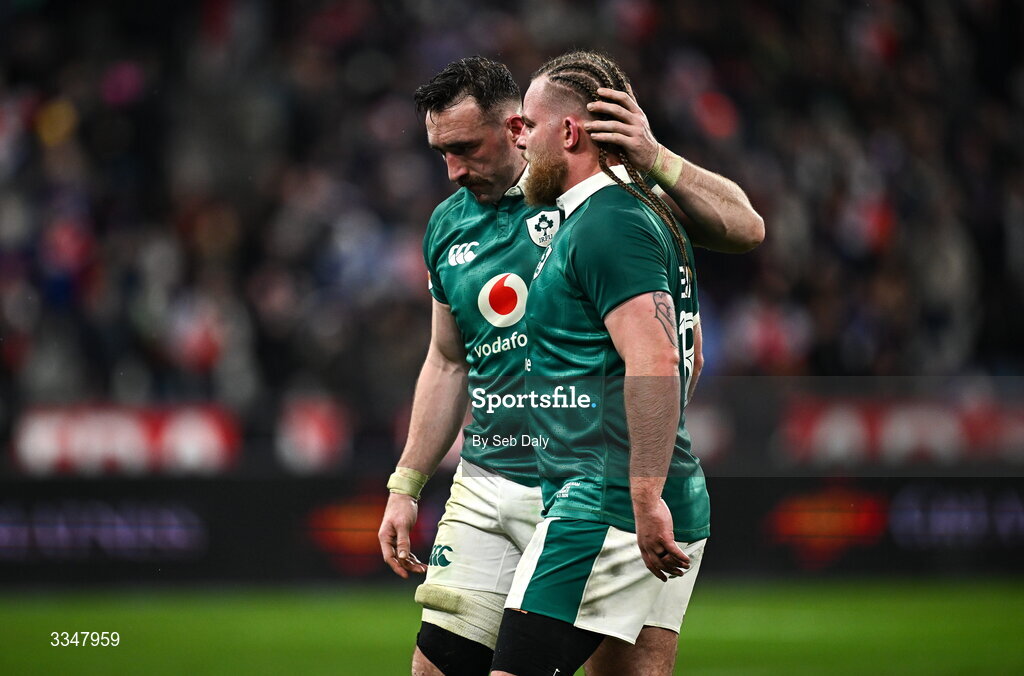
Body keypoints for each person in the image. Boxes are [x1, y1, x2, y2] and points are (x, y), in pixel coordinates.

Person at [377, 56, 762, 676]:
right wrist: (407, 482)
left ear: (516, 127)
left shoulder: (595, 198)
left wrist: (656, 157)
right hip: (490, 476)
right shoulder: (448, 226)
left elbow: (745, 228)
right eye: (440, 151)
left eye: (467, 147)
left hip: (587, 478)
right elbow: (447, 362)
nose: (452, 170)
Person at [489, 51, 712, 676]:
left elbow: (654, 355)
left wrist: (642, 494)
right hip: (663, 490)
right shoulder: (647, 208)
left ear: (569, 132)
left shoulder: (604, 222)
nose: (520, 140)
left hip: (607, 501)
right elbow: (744, 229)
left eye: (528, 125)